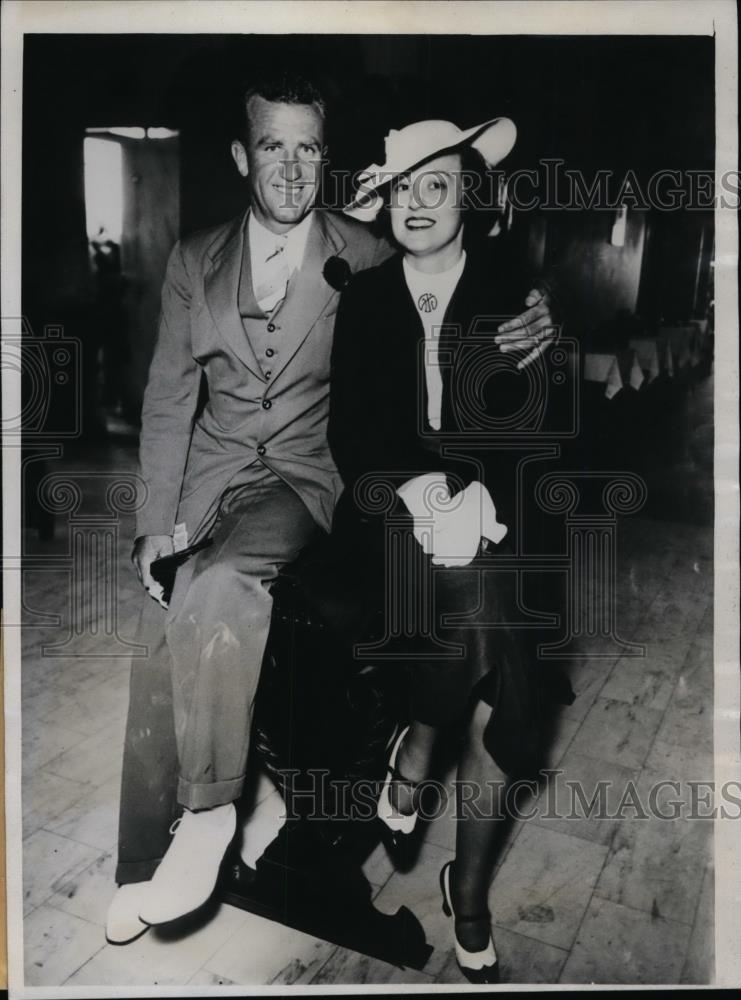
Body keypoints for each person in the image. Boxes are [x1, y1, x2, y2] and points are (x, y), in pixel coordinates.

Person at [106, 73, 558, 946]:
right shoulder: (193, 258)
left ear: (327, 159)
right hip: (212, 475)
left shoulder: (371, 246)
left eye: (307, 147)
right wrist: (153, 520)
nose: (289, 167)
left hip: (311, 479)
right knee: (157, 612)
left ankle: (222, 816)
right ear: (244, 156)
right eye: (272, 146)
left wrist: (545, 313)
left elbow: (463, 273)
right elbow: (167, 398)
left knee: (220, 586)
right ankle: (144, 859)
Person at [327, 118, 564, 984]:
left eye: (438, 185)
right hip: (390, 514)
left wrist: (481, 490)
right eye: (401, 187)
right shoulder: (364, 296)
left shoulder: (516, 292)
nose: (417, 203)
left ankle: (454, 850)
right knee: (490, 626)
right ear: (384, 201)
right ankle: (428, 764)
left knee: (512, 680)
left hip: (496, 511)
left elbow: (540, 430)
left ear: (470, 196)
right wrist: (418, 491)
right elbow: (352, 437)